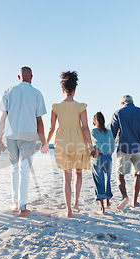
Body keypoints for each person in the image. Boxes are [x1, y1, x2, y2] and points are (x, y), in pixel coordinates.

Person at [43, 71, 96, 217]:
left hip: (63, 142)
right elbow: (85, 127)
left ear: (63, 90)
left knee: (67, 176)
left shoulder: (56, 107)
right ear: (74, 90)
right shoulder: (81, 106)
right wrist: (91, 146)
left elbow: (51, 128)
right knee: (78, 173)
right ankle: (76, 202)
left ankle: (69, 210)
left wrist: (46, 144)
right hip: (78, 142)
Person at [0, 66, 48, 217]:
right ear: (31, 77)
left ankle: (14, 202)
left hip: (11, 135)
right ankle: (22, 206)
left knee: (14, 169)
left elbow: (3, 118)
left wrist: (0, 138)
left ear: (19, 77)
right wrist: (44, 142)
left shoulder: (8, 91)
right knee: (24, 170)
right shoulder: (37, 93)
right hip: (28, 135)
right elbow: (39, 121)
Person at [110, 94, 140, 209]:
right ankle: (134, 202)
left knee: (120, 174)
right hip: (139, 149)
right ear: (132, 102)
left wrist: (109, 149)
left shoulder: (118, 113)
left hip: (124, 148)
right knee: (137, 174)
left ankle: (125, 196)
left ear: (122, 103)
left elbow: (112, 133)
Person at [91, 112, 115, 215]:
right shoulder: (109, 132)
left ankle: (102, 208)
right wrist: (110, 152)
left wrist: (97, 150)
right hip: (108, 157)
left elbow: (96, 142)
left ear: (94, 122)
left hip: (98, 157)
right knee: (107, 180)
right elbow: (113, 145)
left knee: (99, 181)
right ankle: (108, 202)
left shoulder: (94, 131)